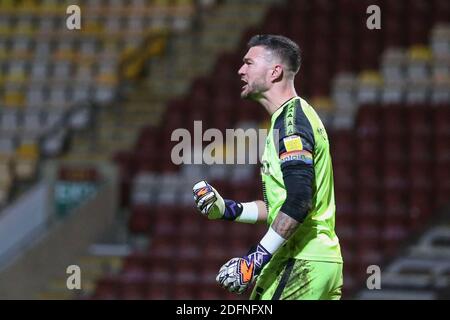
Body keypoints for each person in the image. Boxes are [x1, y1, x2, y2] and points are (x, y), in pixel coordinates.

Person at [193, 35, 343, 300]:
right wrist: (228, 209)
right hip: (320, 261)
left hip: (300, 260)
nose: (240, 70)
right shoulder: (287, 120)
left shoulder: (291, 123)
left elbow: (298, 202)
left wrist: (253, 261)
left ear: (275, 72)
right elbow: (281, 206)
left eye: (248, 63)